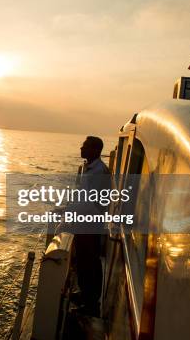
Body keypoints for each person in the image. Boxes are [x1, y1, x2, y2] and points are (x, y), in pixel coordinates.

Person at [74, 136, 110, 317]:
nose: (81, 148)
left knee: (90, 262)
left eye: (85, 146)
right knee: (82, 260)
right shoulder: (89, 169)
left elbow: (96, 203)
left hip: (90, 224)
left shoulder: (99, 172)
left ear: (95, 150)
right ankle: (84, 295)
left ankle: (91, 303)